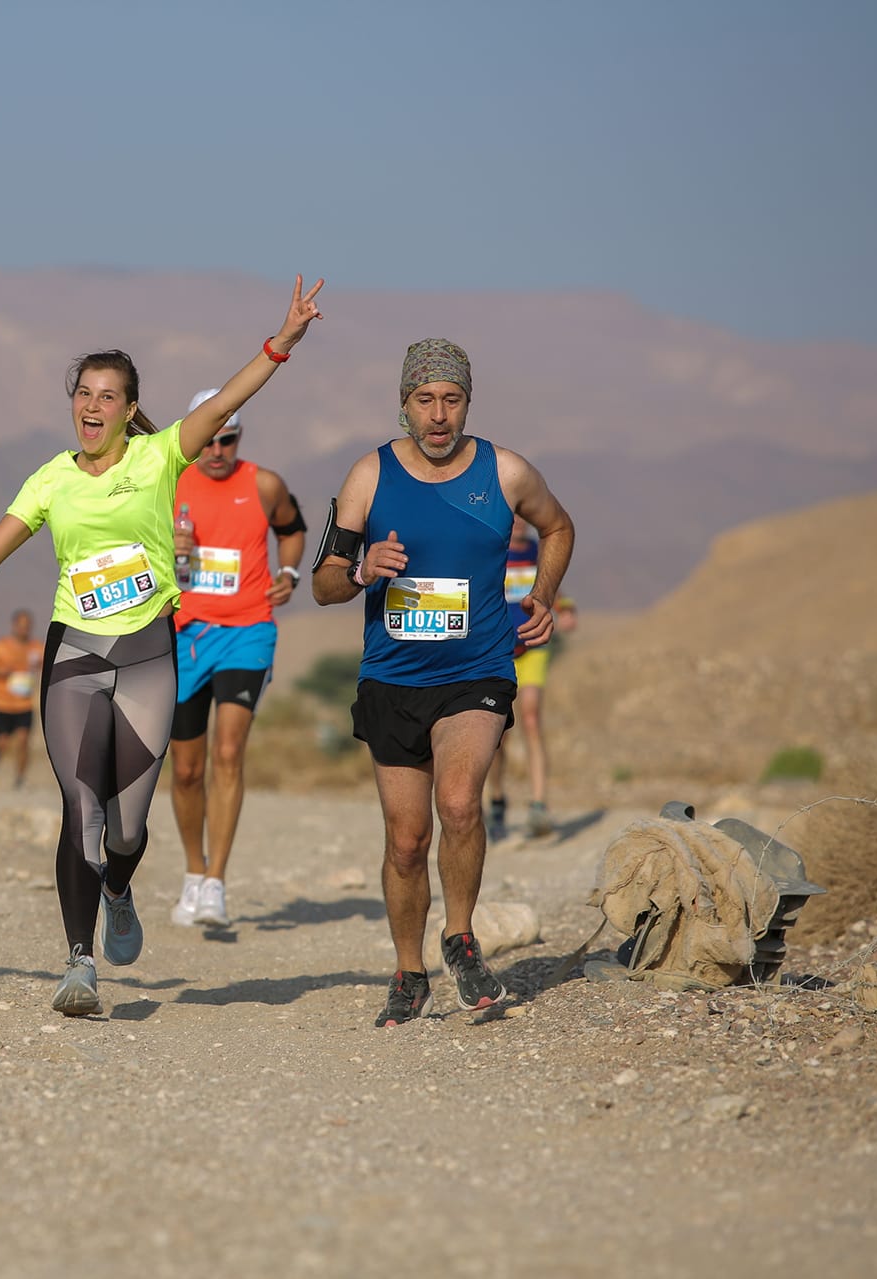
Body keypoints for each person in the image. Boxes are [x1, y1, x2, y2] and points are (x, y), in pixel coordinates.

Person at [0, 275, 323, 1015]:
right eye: (83, 392)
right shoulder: (51, 478)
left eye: (108, 395)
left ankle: (119, 886)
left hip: (148, 654)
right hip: (74, 655)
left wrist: (284, 341)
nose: (92, 405)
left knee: (127, 824)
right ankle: (79, 962)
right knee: (80, 804)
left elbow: (222, 404)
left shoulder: (160, 460)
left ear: (129, 409)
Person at [312, 338, 573, 1027]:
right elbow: (323, 584)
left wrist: (542, 595)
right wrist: (364, 569)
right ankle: (408, 970)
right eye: (424, 399)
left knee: (459, 804)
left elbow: (558, 526)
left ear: (467, 404)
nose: (438, 414)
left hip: (476, 669)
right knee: (406, 840)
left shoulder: (505, 470)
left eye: (451, 399)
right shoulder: (369, 475)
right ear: (404, 404)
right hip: (392, 677)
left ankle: (459, 936)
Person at [166, 388, 307, 929]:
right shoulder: (171, 482)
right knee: (185, 769)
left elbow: (292, 530)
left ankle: (218, 882)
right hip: (183, 634)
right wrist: (170, 550)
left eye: (228, 440)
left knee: (228, 752)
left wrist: (289, 574)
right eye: (209, 440)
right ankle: (193, 874)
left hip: (248, 630)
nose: (217, 451)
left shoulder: (263, 484)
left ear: (239, 439)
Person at [485, 526, 578, 840]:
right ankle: (497, 798)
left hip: (533, 647)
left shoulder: (538, 552)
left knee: (531, 717)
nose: (521, 523)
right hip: (497, 651)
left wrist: (564, 609)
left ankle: (539, 804)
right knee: (499, 732)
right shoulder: (492, 549)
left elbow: (551, 589)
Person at [0, 609, 42, 787]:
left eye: (27, 627)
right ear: (14, 626)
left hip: (25, 704)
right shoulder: (0, 647)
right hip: (3, 704)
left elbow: (48, 663)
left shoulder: (36, 648)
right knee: (2, 742)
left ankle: (20, 779)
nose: (24, 630)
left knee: (23, 741)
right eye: (21, 626)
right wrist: (0, 671)